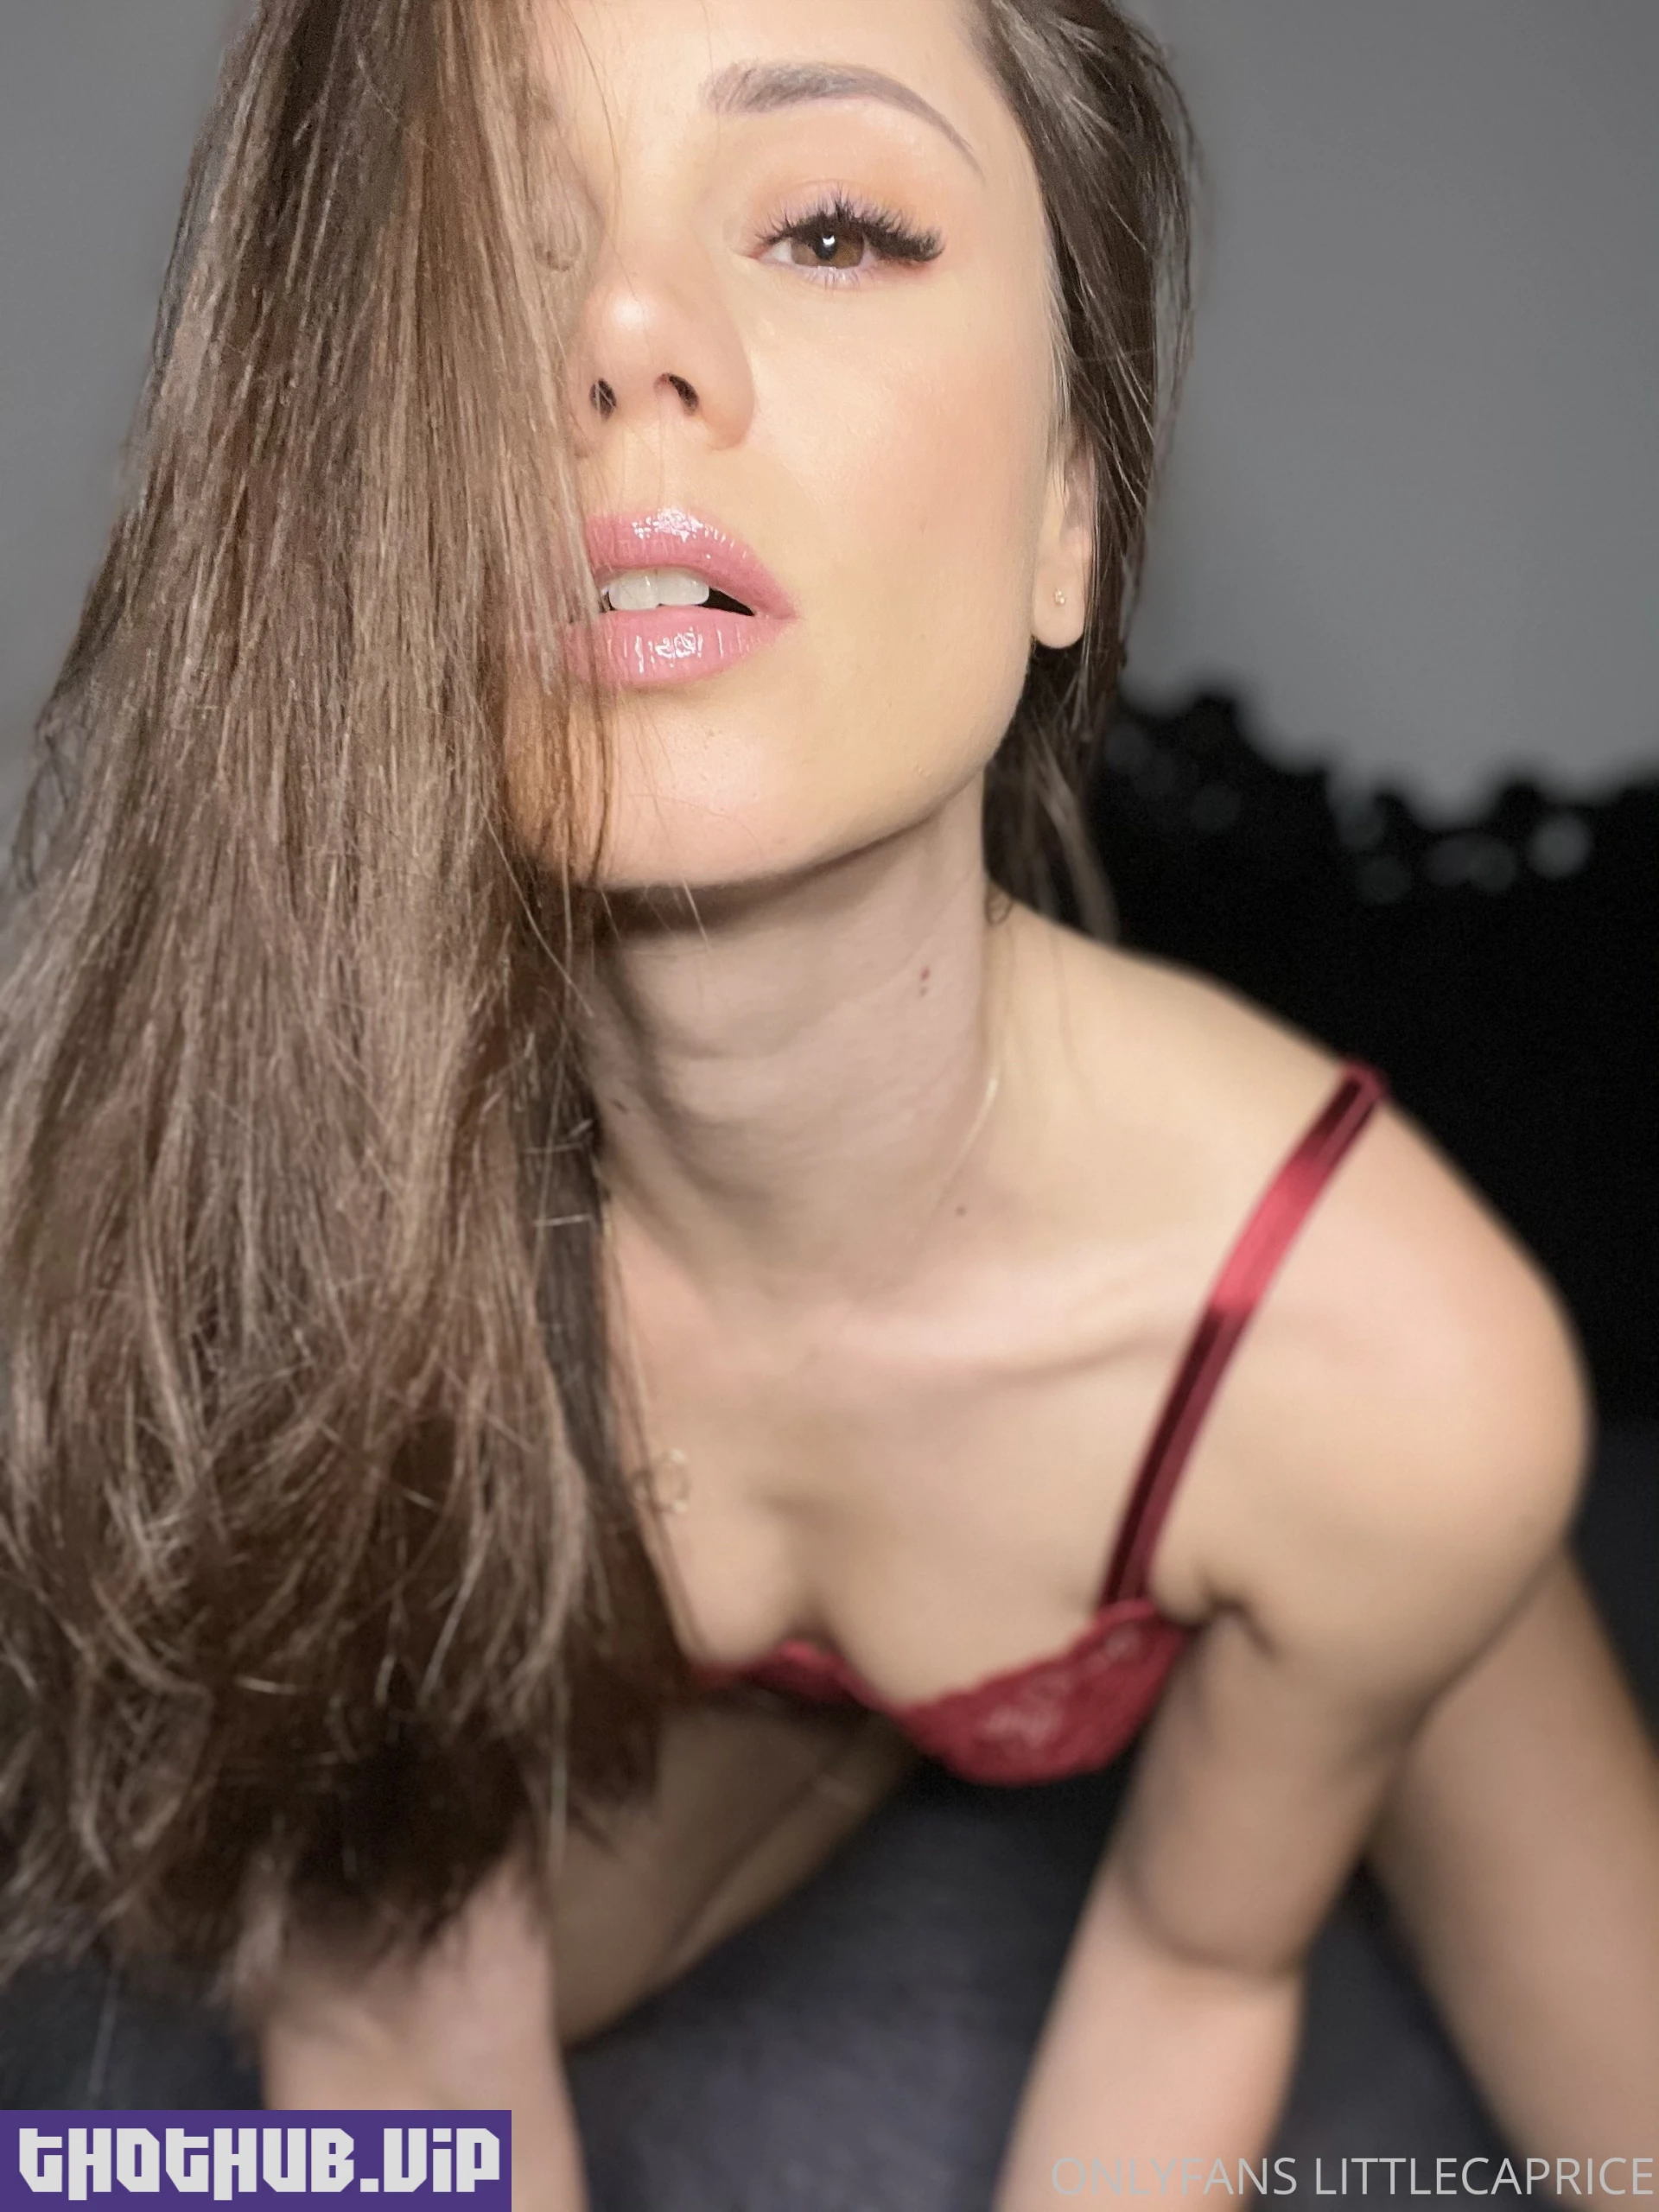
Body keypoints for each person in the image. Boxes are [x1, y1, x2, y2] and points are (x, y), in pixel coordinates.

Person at [0, 1, 1653, 2208]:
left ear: (1072, 515)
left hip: (1281, 1444)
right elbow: (401, 2039)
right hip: (689, 1645)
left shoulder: (1384, 1368)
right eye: (481, 240)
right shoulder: (248, 1233)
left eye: (838, 228)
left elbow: (1193, 1959)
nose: (626, 334)